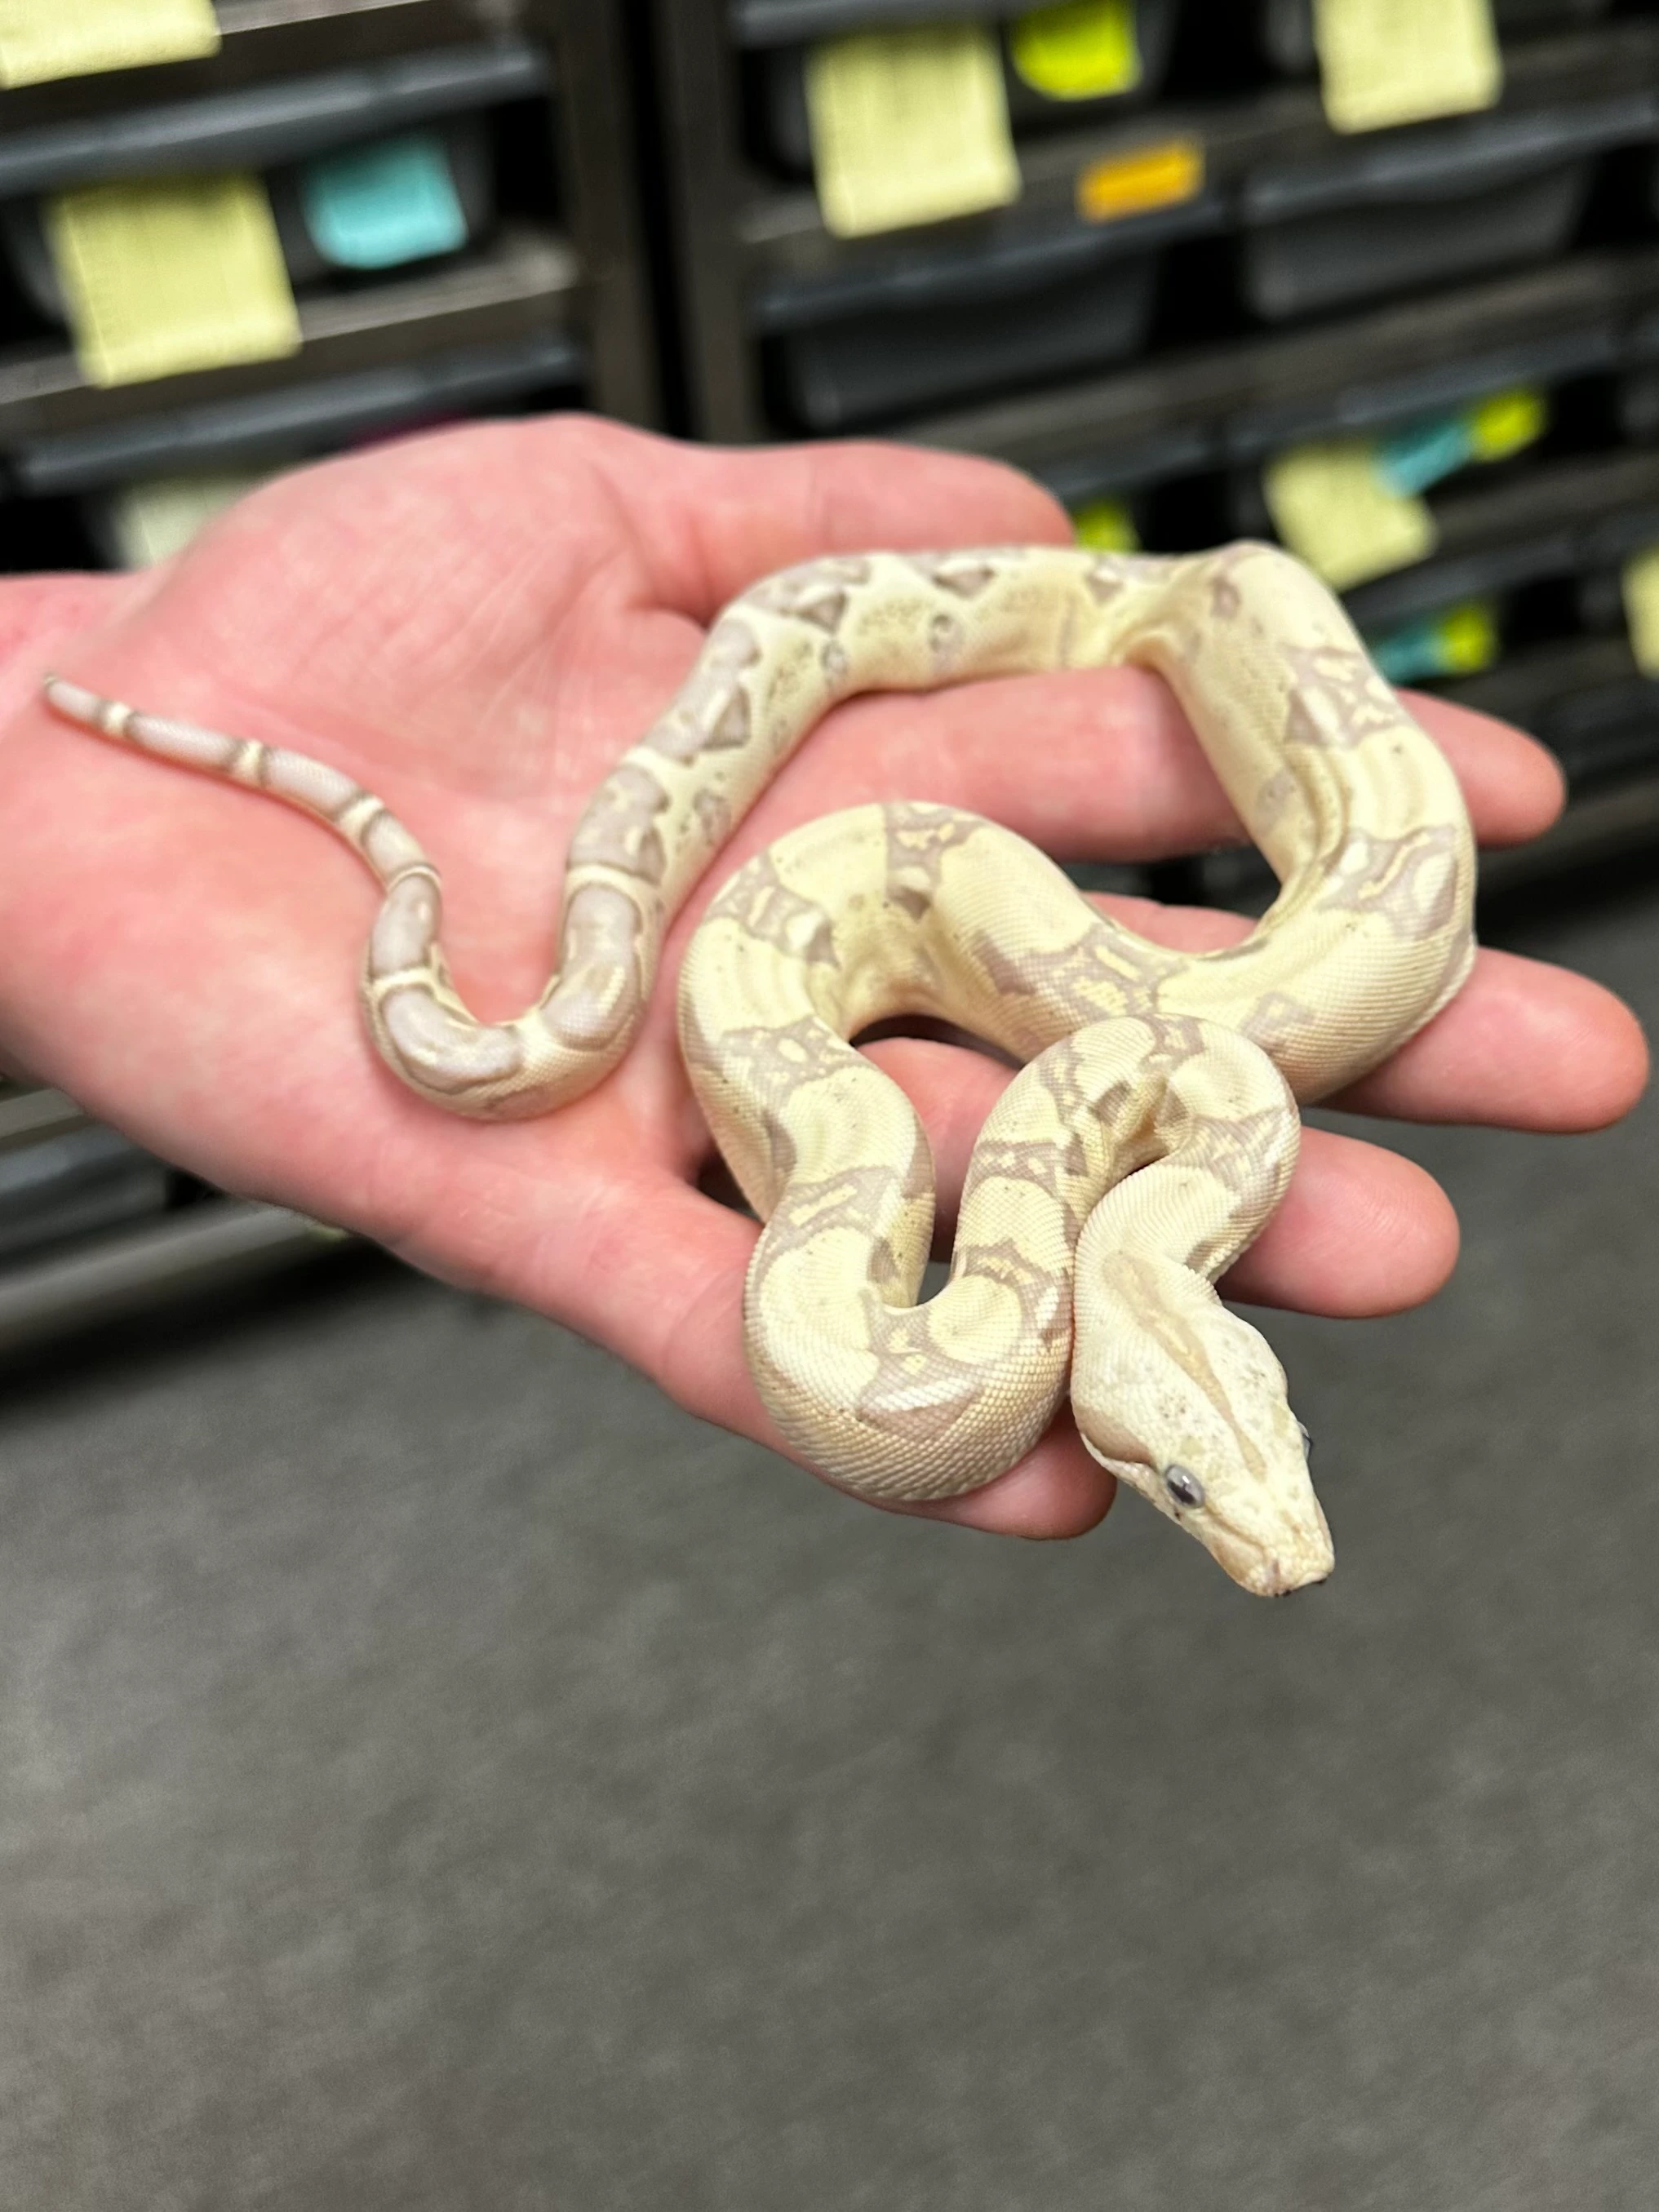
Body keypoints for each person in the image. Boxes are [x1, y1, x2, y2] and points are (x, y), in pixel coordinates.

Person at [0, 418, 1645, 1538]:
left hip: (995, 988)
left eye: (1214, 1482)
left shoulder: (1172, 1132)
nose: (1263, 1535)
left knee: (1230, 594)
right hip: (934, 978)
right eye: (1205, 1486)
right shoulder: (1181, 1127)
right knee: (1223, 602)